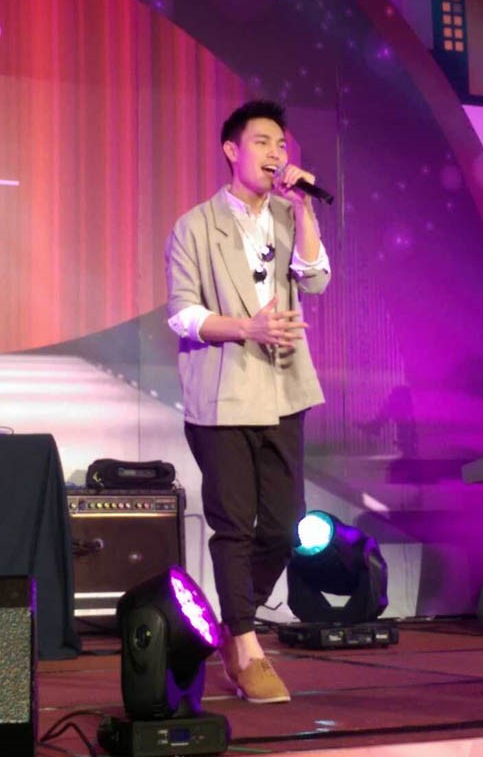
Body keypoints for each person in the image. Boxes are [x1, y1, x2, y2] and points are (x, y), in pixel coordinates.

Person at [165, 99, 330, 703]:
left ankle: (234, 626)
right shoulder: (194, 226)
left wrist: (304, 209)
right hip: (223, 394)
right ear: (232, 150)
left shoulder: (288, 216)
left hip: (284, 391)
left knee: (284, 526)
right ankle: (247, 644)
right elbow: (182, 313)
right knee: (234, 526)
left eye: (282, 145)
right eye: (262, 143)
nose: (275, 154)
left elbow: (316, 277)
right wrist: (245, 328)